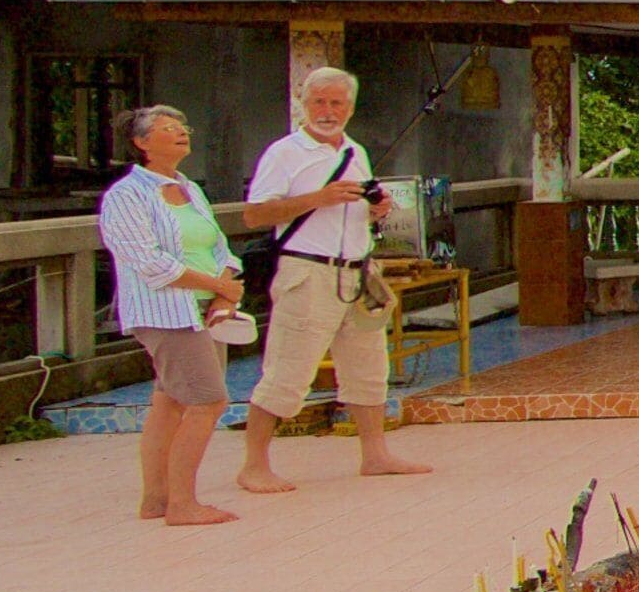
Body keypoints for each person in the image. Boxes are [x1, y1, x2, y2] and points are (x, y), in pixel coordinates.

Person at [235, 66, 431, 491]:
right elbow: (254, 213)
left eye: (336, 102)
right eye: (319, 101)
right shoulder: (284, 153)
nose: (327, 110)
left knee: (369, 366)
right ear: (304, 104)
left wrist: (374, 209)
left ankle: (375, 454)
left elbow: (354, 210)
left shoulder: (355, 151)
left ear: (350, 106)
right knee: (288, 370)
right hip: (308, 272)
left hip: (358, 273)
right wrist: (317, 199)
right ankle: (254, 465)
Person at [97, 106, 247, 528]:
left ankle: (158, 500)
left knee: (170, 403)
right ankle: (183, 503)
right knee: (208, 400)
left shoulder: (189, 189)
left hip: (204, 308)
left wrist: (223, 286)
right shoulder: (126, 196)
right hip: (166, 312)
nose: (181, 134)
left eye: (184, 128)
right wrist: (215, 285)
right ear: (142, 143)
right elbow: (149, 262)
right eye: (169, 130)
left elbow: (220, 247)